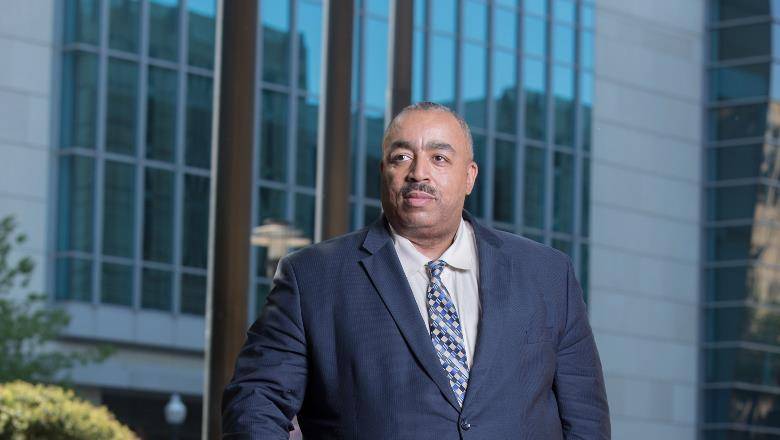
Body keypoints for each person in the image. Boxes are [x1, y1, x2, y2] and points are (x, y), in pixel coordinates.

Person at [222, 102, 610, 439]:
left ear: (469, 176)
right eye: (401, 157)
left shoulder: (547, 274)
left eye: (439, 158)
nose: (418, 173)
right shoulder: (311, 277)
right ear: (383, 171)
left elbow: (585, 419)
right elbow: (255, 402)